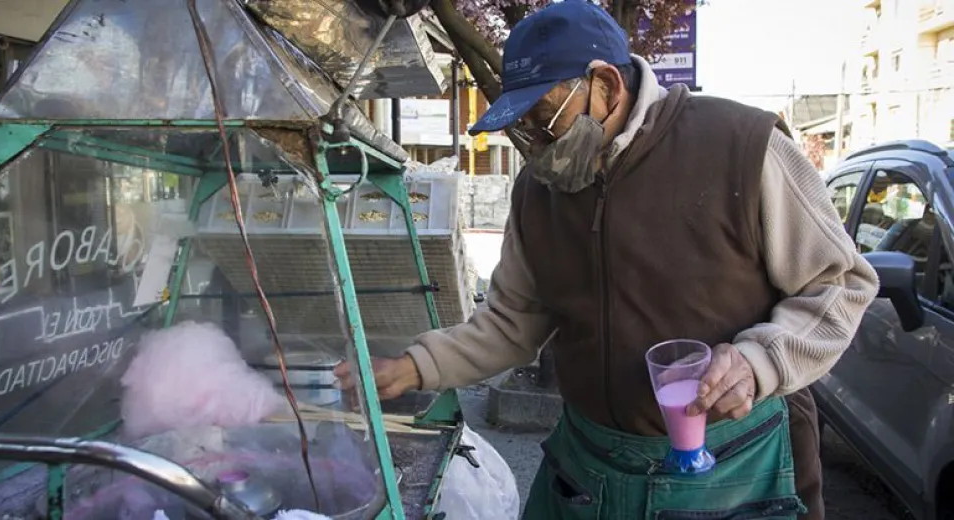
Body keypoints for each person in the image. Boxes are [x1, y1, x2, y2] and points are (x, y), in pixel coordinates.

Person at [335, 1, 879, 517]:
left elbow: (841, 284)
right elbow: (511, 322)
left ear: (606, 85)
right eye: (520, 128)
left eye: (544, 119)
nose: (534, 146)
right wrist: (412, 368)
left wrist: (759, 361)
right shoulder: (537, 190)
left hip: (733, 460)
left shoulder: (742, 146)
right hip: (589, 466)